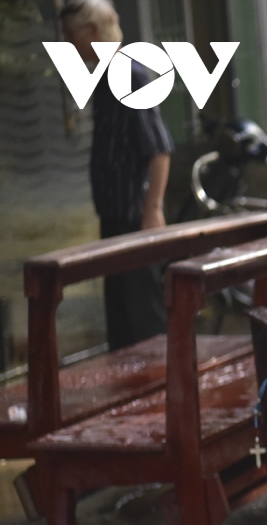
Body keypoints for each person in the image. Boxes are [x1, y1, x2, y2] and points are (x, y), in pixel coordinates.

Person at [60, 0, 173, 350]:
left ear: (92, 32)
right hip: (114, 220)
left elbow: (158, 148)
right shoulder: (106, 79)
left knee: (142, 321)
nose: (68, 44)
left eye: (70, 35)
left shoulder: (129, 74)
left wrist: (152, 208)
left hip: (132, 219)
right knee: (122, 322)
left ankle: (157, 394)